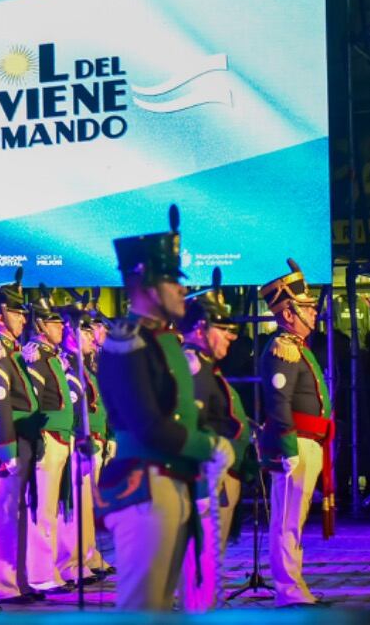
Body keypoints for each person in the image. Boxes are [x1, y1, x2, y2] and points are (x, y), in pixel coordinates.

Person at [96, 208, 223, 611]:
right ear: (147, 284)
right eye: (172, 281)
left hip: (173, 482)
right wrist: (209, 446)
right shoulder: (126, 341)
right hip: (145, 487)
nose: (182, 290)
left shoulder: (164, 340)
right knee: (143, 606)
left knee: (164, 604)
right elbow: (148, 425)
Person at [258, 261, 333, 609]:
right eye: (306, 307)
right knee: (287, 520)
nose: (314, 312)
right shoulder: (282, 348)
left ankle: (295, 585)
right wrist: (287, 446)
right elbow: (278, 401)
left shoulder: (298, 346)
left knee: (295, 520)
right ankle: (288, 590)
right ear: (288, 313)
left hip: (309, 443)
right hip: (295, 444)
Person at [178, 288, 251, 612]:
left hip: (210, 476)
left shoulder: (204, 366)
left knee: (208, 565)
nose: (231, 337)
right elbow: (186, 431)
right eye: (223, 330)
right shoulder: (192, 367)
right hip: (198, 480)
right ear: (199, 329)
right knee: (199, 565)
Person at [0, 270, 39, 605]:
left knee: (16, 512)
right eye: (17, 312)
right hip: (9, 442)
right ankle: (2, 583)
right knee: (3, 513)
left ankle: (17, 578)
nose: (22, 319)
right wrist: (5, 444)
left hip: (22, 439)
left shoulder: (13, 350)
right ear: (1, 315)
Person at [58, 296, 112, 586]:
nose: (92, 336)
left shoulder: (86, 365)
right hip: (76, 441)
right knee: (72, 503)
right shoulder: (67, 363)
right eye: (85, 331)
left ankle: (86, 554)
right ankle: (70, 561)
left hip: (94, 438)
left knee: (86, 503)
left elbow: (98, 404)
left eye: (93, 331)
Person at [22, 296, 72, 595]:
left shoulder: (52, 355)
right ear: (40, 325)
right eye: (55, 322)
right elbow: (34, 400)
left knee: (51, 509)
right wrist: (39, 436)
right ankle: (41, 574)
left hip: (60, 436)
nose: (62, 327)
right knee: (42, 510)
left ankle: (49, 568)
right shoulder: (36, 355)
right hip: (48, 436)